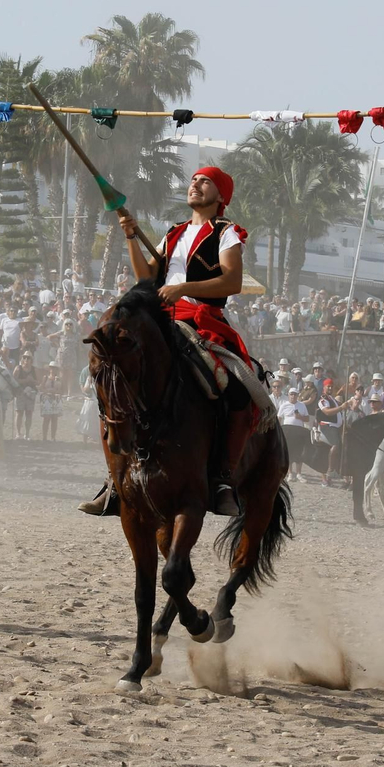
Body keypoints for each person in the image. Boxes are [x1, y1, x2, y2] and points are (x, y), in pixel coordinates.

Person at [82, 165, 253, 517]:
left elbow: (232, 281)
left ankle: (221, 477)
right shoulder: (173, 233)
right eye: (194, 180)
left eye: (206, 182)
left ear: (220, 196)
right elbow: (146, 277)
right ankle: (115, 479)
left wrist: (183, 289)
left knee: (238, 391)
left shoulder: (226, 233)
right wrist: (131, 236)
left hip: (203, 322)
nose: (196, 184)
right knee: (118, 380)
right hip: (162, 320)